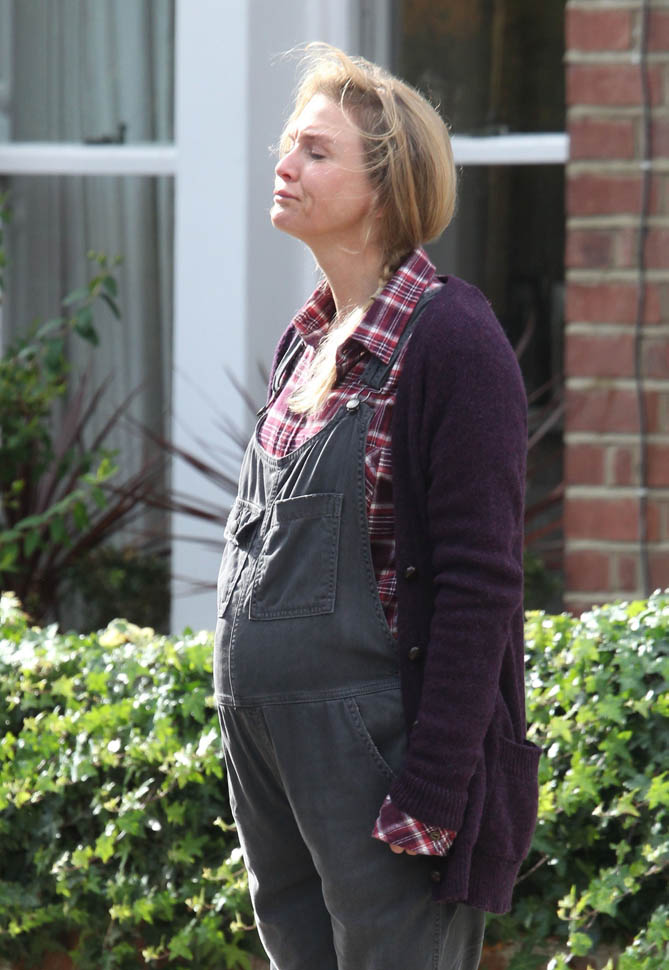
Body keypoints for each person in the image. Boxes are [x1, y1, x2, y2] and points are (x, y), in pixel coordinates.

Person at [214, 43, 541, 970]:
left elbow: (481, 583)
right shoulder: (307, 341)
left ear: (387, 190)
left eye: (315, 151)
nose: (284, 164)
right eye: (288, 144)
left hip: (376, 759)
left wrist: (434, 787)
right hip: (271, 756)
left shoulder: (452, 339)